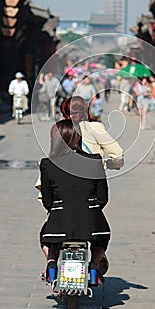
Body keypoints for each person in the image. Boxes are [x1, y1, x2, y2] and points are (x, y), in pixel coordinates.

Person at [40, 119, 110, 280]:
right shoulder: (94, 160)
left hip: (58, 225)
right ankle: (93, 266)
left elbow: (47, 201)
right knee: (101, 239)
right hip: (92, 224)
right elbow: (103, 198)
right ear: (78, 137)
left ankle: (51, 263)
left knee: (46, 238)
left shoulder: (48, 164)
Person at [55, 96, 124, 169]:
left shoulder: (61, 129)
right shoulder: (94, 127)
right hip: (92, 175)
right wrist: (105, 165)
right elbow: (118, 154)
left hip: (63, 175)